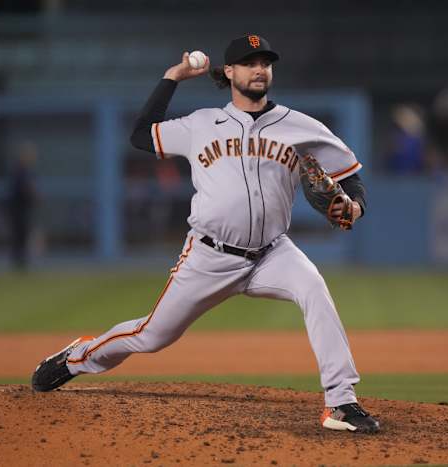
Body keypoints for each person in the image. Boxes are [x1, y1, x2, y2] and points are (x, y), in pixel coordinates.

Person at [31, 35, 378, 434]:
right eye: (249, 63)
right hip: (210, 255)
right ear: (229, 72)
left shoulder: (301, 126)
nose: (259, 69)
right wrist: (171, 78)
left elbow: (351, 178)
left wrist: (355, 206)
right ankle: (77, 358)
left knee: (314, 289)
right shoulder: (200, 124)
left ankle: (341, 402)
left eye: (265, 62)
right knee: (152, 336)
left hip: (273, 253)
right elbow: (142, 135)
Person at [8, 142, 38, 269]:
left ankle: (21, 261)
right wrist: (33, 195)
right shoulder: (20, 171)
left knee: (22, 236)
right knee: (19, 235)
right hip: (18, 210)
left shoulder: (25, 171)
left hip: (23, 209)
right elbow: (24, 189)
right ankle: (19, 262)